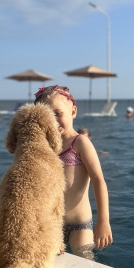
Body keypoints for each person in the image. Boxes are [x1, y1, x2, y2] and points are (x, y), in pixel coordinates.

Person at [35, 85, 113, 258]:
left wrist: (103, 221)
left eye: (58, 113)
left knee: (84, 259)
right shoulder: (44, 146)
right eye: (47, 116)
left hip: (80, 225)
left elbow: (98, 180)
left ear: (73, 112)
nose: (53, 121)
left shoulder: (80, 143)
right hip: (52, 224)